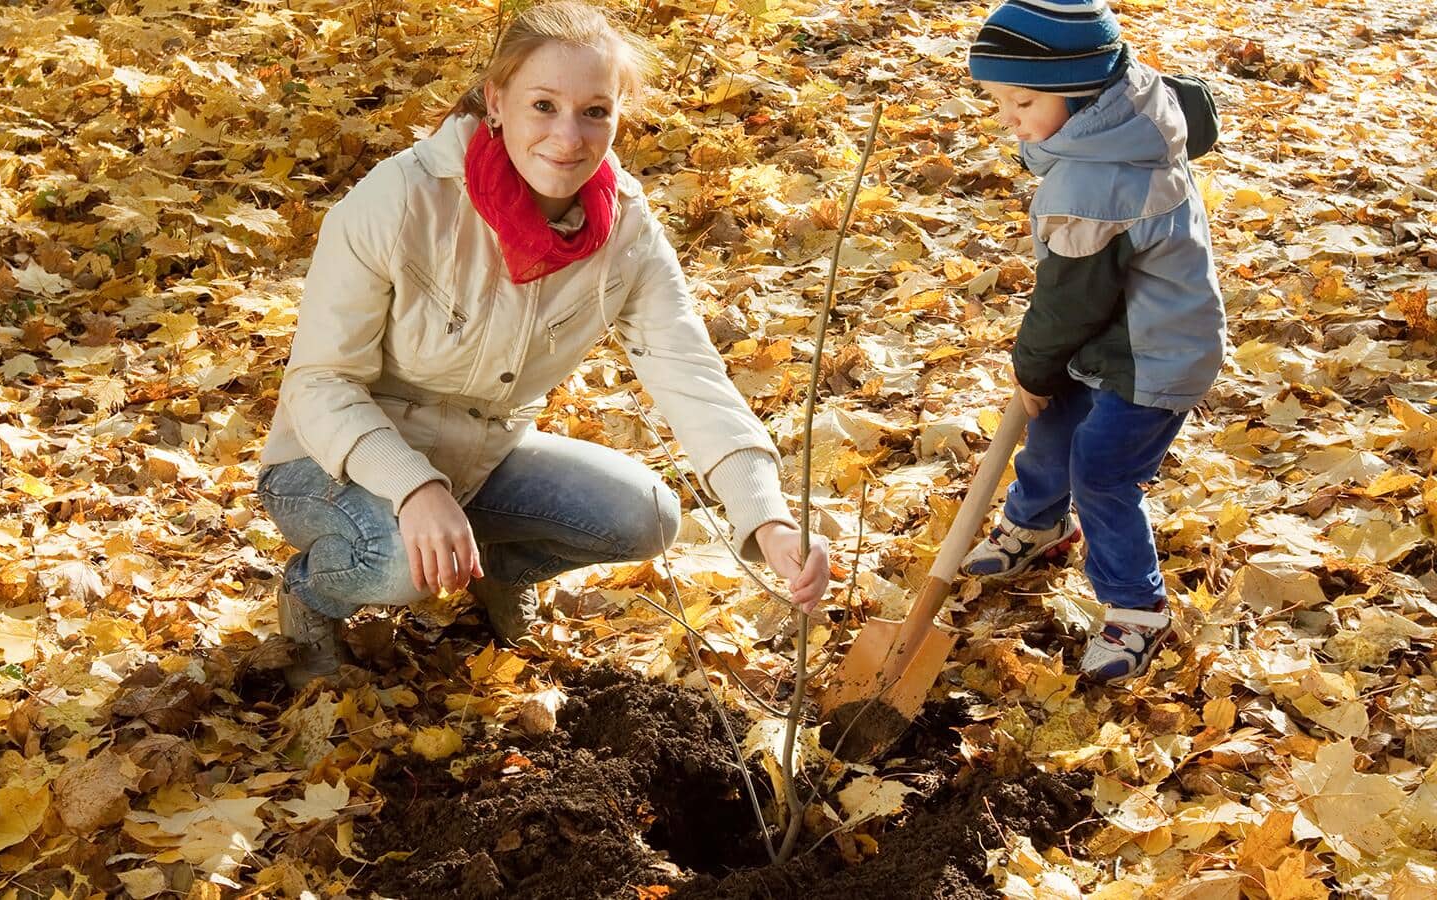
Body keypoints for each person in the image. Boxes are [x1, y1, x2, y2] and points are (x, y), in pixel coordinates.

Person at [256, 1, 830, 688]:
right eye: (543, 105)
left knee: (645, 515)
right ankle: (313, 595)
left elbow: (690, 374)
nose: (568, 137)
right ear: (496, 103)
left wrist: (767, 520)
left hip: (480, 454)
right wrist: (413, 489)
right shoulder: (402, 200)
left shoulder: (625, 231)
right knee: (396, 561)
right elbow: (319, 384)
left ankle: (501, 571)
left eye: (594, 111)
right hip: (331, 461)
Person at [960, 0, 1224, 683]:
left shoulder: (1096, 183)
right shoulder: (1121, 117)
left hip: (1153, 354)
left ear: (1081, 94)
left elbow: (1068, 304)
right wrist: (1047, 378)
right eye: (997, 102)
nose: (1006, 119)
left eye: (1021, 103)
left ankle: (1138, 610)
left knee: (1102, 473)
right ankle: (1038, 523)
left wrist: (1031, 367)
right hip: (1115, 326)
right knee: (1051, 430)